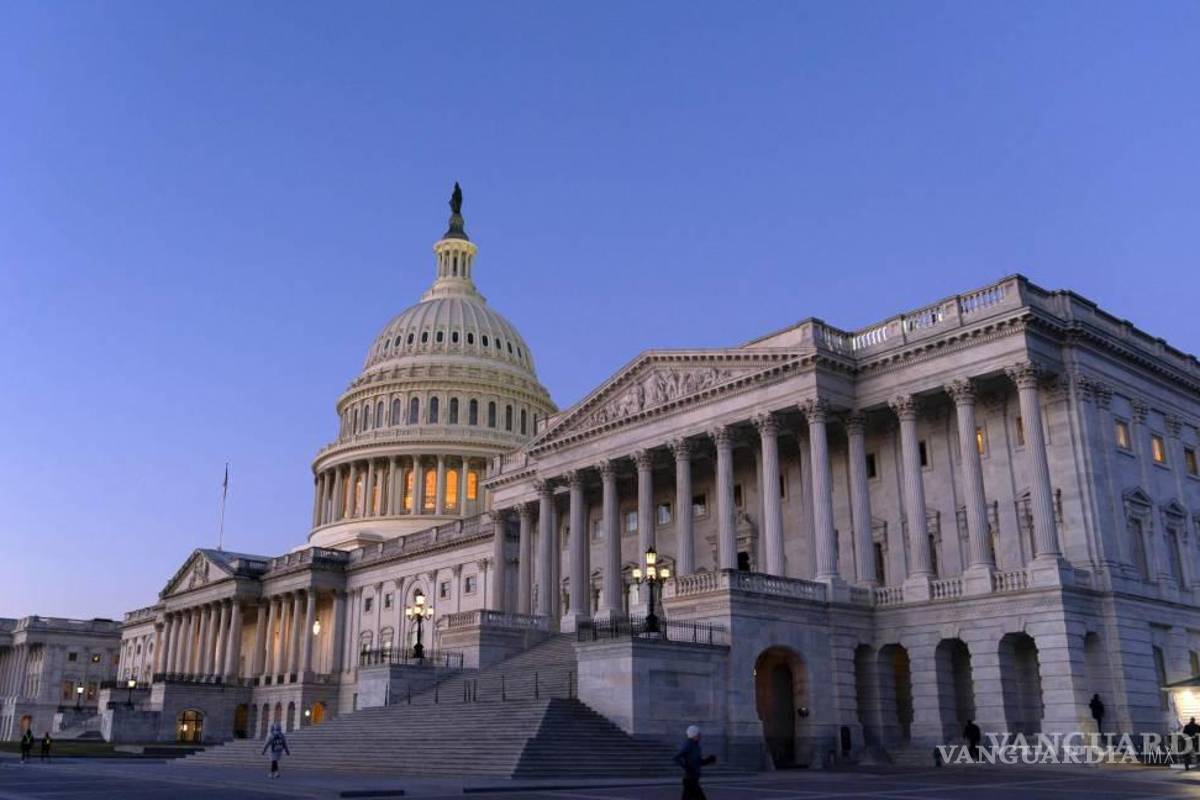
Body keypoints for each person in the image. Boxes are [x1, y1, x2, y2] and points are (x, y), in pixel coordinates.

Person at [674, 725, 716, 800]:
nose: (700, 736)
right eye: (698, 734)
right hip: (690, 779)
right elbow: (676, 757)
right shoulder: (688, 745)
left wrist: (709, 760)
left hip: (693, 778)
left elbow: (698, 762)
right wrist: (686, 767)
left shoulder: (696, 746)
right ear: (694, 735)